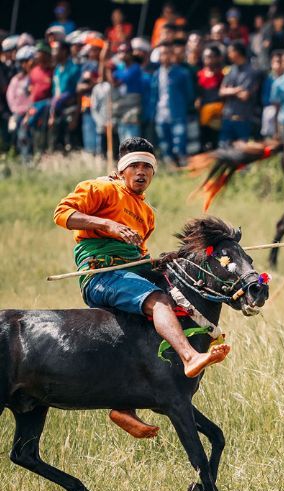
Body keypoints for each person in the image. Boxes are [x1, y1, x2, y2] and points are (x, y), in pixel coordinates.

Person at [53, 137, 231, 439]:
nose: (141, 171)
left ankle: (123, 405)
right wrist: (108, 226)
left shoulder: (146, 213)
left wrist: (160, 263)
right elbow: (62, 214)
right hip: (102, 275)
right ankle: (189, 357)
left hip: (130, 273)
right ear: (121, 170)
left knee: (176, 293)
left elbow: (139, 256)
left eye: (147, 166)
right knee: (157, 299)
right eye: (134, 165)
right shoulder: (101, 189)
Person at [150, 44, 194, 166]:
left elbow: (189, 94)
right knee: (164, 142)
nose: (165, 56)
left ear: (172, 55)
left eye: (167, 53)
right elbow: (154, 95)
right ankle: (171, 167)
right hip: (161, 113)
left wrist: (186, 108)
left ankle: (183, 165)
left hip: (177, 112)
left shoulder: (182, 73)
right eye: (162, 54)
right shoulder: (157, 74)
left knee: (180, 141)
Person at [219, 41, 259, 145]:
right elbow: (222, 91)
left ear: (238, 52)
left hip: (243, 118)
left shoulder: (251, 71)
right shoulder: (231, 70)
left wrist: (230, 91)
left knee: (242, 150)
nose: (228, 55)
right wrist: (236, 90)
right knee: (224, 148)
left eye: (230, 52)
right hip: (227, 116)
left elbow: (245, 95)